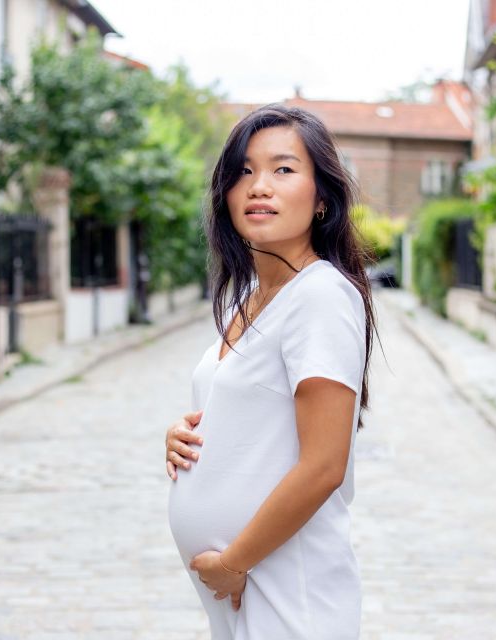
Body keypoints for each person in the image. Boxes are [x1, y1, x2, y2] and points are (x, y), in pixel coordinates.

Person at [165, 104, 376, 640]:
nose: (259, 186)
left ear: (322, 196)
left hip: (287, 589)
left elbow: (325, 464)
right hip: (252, 591)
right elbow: (251, 414)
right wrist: (185, 439)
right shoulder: (254, 298)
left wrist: (234, 562)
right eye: (244, 171)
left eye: (283, 169)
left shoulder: (320, 294)